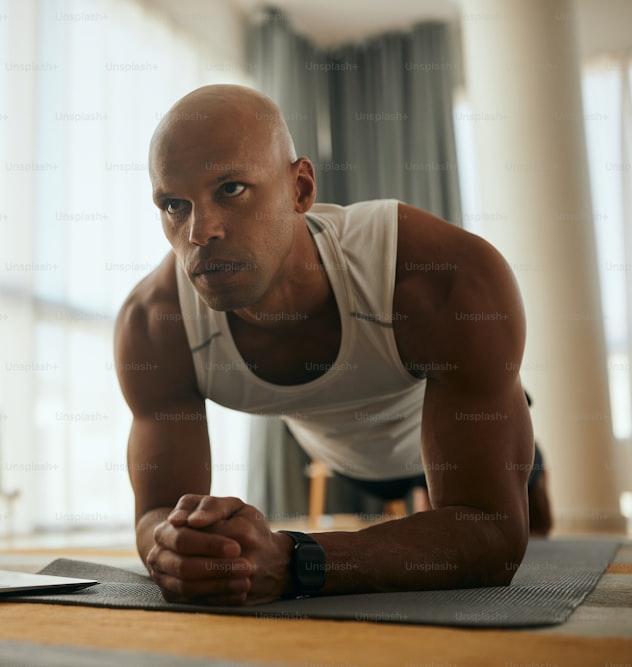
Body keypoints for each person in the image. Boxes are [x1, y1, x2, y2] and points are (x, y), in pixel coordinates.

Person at [113, 84, 553, 606]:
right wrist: (177, 547)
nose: (199, 231)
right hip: (343, 455)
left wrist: (294, 560)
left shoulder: (443, 276)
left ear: (300, 189)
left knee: (543, 534)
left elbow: (494, 539)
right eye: (174, 205)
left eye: (231, 188)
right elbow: (154, 514)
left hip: (450, 426)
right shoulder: (154, 324)